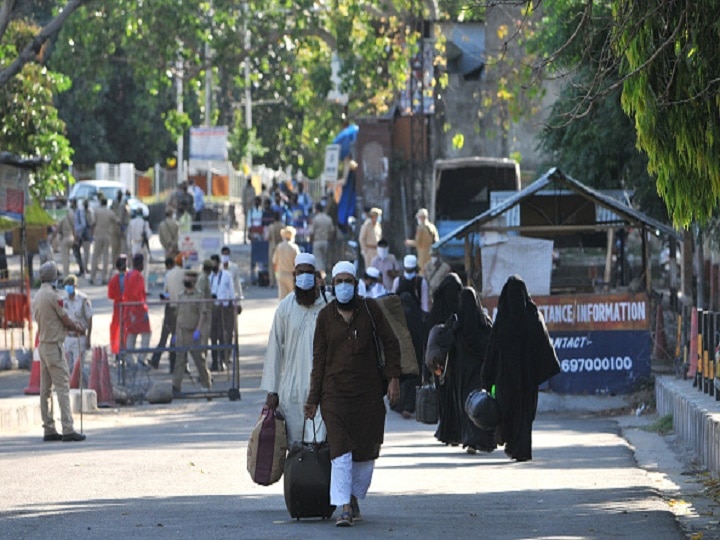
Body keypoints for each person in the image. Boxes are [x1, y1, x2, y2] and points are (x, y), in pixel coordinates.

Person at [304, 261, 401, 527]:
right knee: (340, 451)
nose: (344, 286)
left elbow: (391, 343)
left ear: (356, 284)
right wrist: (313, 399)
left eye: (349, 281)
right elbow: (319, 360)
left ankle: (354, 495)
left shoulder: (370, 311)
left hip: (368, 395)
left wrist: (394, 378)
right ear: (333, 285)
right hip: (334, 395)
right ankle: (344, 506)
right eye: (339, 282)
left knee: (366, 452)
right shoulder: (325, 317)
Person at [481, 275, 561, 462]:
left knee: (509, 412)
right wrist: (538, 372)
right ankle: (521, 448)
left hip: (505, 380)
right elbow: (544, 347)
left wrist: (487, 376)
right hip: (527, 379)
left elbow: (492, 350)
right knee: (524, 414)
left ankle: (513, 445)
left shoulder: (502, 320)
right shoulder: (532, 316)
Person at [261, 253, 330, 446]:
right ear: (294, 275)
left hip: (322, 389)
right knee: (294, 447)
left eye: (309, 272)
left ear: (316, 275)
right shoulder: (285, 308)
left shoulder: (328, 304)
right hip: (291, 390)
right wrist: (272, 390)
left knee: (319, 446)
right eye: (301, 272)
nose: (305, 276)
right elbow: (274, 349)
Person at [429, 287, 496, 453]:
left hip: (461, 374)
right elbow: (493, 346)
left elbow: (444, 342)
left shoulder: (457, 324)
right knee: (482, 403)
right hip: (480, 373)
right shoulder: (484, 323)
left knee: (467, 405)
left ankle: (471, 440)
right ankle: (484, 440)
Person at [33, 261, 87, 442]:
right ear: (54, 278)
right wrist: (78, 328)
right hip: (54, 347)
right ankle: (68, 428)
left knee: (45, 390)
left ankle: (48, 428)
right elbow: (65, 319)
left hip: (42, 346)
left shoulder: (38, 296)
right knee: (63, 387)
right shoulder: (53, 296)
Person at [173, 270, 212, 395]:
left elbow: (202, 314)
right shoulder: (181, 295)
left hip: (193, 332)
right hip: (182, 332)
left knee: (199, 360)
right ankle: (176, 387)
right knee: (179, 360)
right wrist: (176, 332)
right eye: (186, 278)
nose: (186, 281)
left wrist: (198, 330)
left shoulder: (199, 296)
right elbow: (178, 315)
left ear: (194, 281)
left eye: (189, 279)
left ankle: (206, 384)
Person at [149, 256, 184, 372]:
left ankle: (157, 359)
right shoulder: (184, 274)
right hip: (182, 308)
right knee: (177, 336)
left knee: (165, 335)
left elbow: (166, 293)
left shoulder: (169, 275)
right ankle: (175, 363)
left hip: (170, 309)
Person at [123, 253, 152, 368]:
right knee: (146, 334)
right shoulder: (138, 277)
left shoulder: (128, 275)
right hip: (138, 309)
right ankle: (141, 359)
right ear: (140, 264)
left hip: (128, 309)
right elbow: (137, 294)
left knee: (132, 334)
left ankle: (129, 359)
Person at [61, 275, 93, 375]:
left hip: (80, 338)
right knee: (67, 369)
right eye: (66, 286)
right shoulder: (63, 300)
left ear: (75, 286)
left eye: (70, 286)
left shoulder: (83, 299)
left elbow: (89, 318)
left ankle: (79, 389)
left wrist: (88, 338)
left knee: (77, 369)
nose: (68, 289)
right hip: (68, 338)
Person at [209, 254, 235, 372]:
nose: (213, 265)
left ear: (219, 263)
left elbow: (232, 291)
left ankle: (223, 360)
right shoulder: (209, 276)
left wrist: (234, 304)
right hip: (212, 309)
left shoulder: (226, 275)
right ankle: (214, 361)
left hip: (223, 309)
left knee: (223, 336)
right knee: (213, 336)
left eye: (215, 263)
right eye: (212, 263)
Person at [90, 196, 119, 285]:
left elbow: (93, 223)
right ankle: (104, 278)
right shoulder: (110, 212)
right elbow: (117, 221)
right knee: (106, 257)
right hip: (107, 235)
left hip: (98, 235)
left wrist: (92, 234)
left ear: (100, 203)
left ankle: (92, 277)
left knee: (95, 256)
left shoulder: (97, 212)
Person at [272, 225, 301, 300]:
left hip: (281, 274)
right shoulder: (294, 247)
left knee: (282, 297)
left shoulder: (279, 246)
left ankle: (283, 311)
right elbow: (298, 263)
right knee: (293, 298)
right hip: (291, 275)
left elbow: (275, 262)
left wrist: (276, 274)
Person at [107, 255, 128, 356]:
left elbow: (110, 295)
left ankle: (117, 351)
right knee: (127, 329)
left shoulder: (113, 280)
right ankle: (126, 349)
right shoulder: (130, 277)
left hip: (117, 306)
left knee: (116, 329)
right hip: (128, 306)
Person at [127, 208, 152, 282]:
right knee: (145, 266)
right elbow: (149, 235)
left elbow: (128, 236)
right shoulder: (145, 222)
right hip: (142, 244)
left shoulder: (131, 222)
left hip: (134, 245)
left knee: (134, 266)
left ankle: (133, 283)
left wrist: (129, 248)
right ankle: (144, 286)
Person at [310, 202, 335, 275]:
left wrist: (311, 240)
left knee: (318, 260)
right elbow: (332, 231)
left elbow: (312, 232)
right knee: (324, 259)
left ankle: (321, 276)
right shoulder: (328, 218)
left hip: (317, 241)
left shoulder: (316, 219)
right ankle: (325, 274)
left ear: (317, 210)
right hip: (325, 241)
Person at [221, 245, 244, 311]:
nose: (225, 256)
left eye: (226, 254)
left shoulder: (234, 268)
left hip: (231, 298)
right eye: (223, 254)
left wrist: (239, 301)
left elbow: (237, 284)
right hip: (221, 299)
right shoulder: (219, 268)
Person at [57, 204, 76, 278]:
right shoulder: (71, 212)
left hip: (64, 237)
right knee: (68, 258)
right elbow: (74, 225)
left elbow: (59, 227)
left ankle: (66, 276)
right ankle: (68, 274)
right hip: (71, 237)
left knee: (65, 259)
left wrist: (54, 236)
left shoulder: (62, 213)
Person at [266, 211, 283, 288]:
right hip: (281, 248)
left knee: (272, 265)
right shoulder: (283, 226)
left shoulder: (271, 227)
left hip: (272, 248)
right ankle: (278, 281)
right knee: (280, 265)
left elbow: (267, 237)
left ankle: (271, 282)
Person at [112, 190, 130, 261]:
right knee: (116, 246)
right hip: (116, 226)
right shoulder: (114, 202)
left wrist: (125, 223)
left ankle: (124, 261)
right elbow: (112, 213)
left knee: (124, 246)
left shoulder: (125, 202)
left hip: (123, 226)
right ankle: (115, 262)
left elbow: (127, 214)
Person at [242, 177, 257, 243]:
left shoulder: (253, 188)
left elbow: (254, 198)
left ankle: (251, 238)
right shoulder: (244, 189)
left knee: (252, 224)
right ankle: (244, 239)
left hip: (252, 208)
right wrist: (244, 208)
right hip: (247, 208)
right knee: (246, 224)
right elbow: (243, 199)